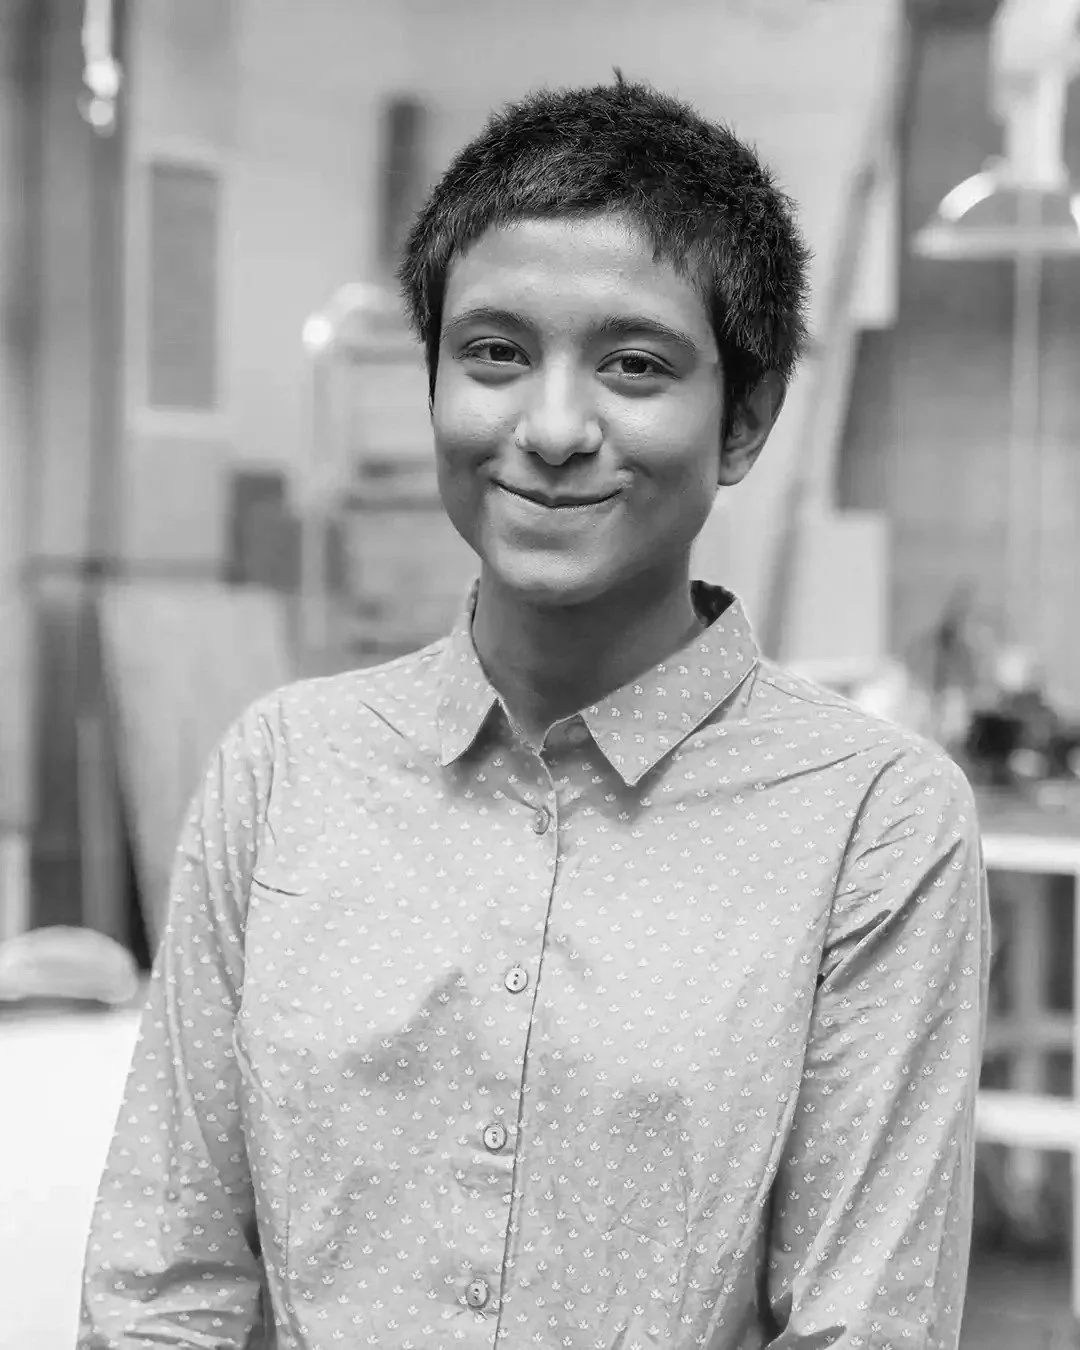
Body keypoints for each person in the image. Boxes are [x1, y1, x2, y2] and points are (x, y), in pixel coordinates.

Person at [79, 76, 989, 1349]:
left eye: (633, 365)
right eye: (496, 354)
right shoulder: (285, 771)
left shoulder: (872, 822)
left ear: (748, 418)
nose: (552, 428)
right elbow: (163, 1287)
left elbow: (865, 1326)